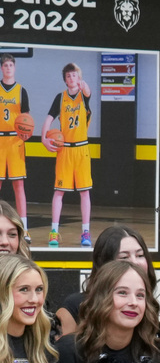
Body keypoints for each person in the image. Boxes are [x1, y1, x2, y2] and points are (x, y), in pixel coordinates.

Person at [56, 259, 160, 363]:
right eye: (122, 293)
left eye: (140, 295)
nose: (133, 302)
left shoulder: (150, 354)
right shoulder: (69, 350)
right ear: (101, 298)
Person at [56, 224, 157, 336]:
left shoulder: (149, 306)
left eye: (140, 255)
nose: (135, 262)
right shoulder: (75, 306)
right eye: (124, 257)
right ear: (104, 263)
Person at [41, 62, 92, 248]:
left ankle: (86, 232)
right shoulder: (60, 98)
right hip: (64, 150)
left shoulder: (84, 95)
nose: (72, 78)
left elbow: (87, 90)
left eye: (75, 76)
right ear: (65, 80)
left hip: (81, 150)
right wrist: (44, 138)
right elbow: (48, 119)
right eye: (69, 76)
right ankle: (54, 232)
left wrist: (83, 84)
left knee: (85, 192)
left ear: (79, 78)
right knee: (59, 192)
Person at [0, 54, 30, 239]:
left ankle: (24, 228)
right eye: (5, 65)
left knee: (19, 185)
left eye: (11, 64)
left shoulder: (21, 91)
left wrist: (25, 133)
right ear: (2, 68)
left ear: (15, 67)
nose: (8, 67)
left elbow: (26, 118)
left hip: (15, 141)